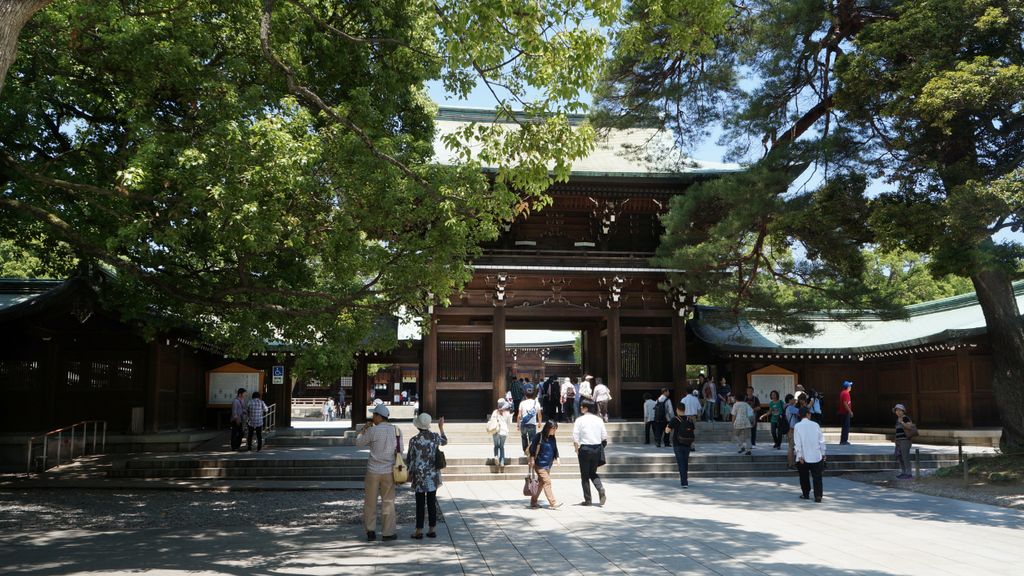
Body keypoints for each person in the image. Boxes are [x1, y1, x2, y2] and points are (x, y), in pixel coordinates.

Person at [356, 404, 402, 541]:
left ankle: (370, 531)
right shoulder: (396, 430)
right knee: (388, 501)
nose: (372, 417)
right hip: (389, 470)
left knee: (370, 501)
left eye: (374, 415)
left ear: (378, 416)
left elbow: (358, 443)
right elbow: (400, 450)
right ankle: (388, 533)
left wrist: (362, 431)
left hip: (373, 470)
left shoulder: (372, 431)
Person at [407, 413, 447, 539]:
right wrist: (441, 427)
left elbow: (410, 459)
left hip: (419, 475)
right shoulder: (435, 437)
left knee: (419, 502)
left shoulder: (414, 440)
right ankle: (432, 529)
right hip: (432, 474)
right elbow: (445, 441)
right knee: (431, 501)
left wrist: (410, 473)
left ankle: (419, 530)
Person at [572, 399, 608, 506]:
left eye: (582, 406)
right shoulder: (599, 420)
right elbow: (604, 436)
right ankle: (600, 488)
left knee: (585, 476)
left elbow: (575, 437)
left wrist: (576, 449)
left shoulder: (579, 420)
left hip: (585, 449)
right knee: (592, 472)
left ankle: (588, 500)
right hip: (597, 448)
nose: (580, 408)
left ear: (586, 408)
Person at [793, 407, 826, 502]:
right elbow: (821, 440)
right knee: (817, 477)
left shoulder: (797, 426)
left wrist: (799, 456)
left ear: (800, 415)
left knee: (804, 476)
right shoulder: (816, 425)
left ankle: (806, 493)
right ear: (808, 414)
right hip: (816, 454)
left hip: (804, 456)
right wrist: (823, 453)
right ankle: (818, 495)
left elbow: (797, 443)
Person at [527, 420, 563, 509]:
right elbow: (532, 448)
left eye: (555, 429)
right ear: (548, 428)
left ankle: (533, 502)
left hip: (548, 464)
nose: (554, 431)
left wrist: (557, 458)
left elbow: (555, 449)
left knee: (541, 484)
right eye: (553, 429)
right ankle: (553, 503)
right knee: (547, 482)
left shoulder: (552, 438)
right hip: (539, 464)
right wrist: (532, 459)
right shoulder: (539, 436)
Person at [666, 400, 696, 488]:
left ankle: (684, 482)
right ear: (685, 410)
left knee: (681, 463)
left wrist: (667, 427)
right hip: (687, 444)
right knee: (685, 462)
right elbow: (693, 430)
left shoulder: (675, 419)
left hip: (677, 443)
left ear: (677, 410)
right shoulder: (689, 419)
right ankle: (685, 479)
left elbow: (667, 431)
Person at [488, 399, 513, 468]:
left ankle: (496, 457)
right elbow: (509, 423)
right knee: (501, 447)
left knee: (496, 446)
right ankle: (502, 462)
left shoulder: (495, 412)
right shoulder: (507, 413)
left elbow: (492, 421)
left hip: (496, 430)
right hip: (504, 431)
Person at [517, 386, 542, 452]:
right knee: (532, 439)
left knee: (524, 437)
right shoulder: (537, 403)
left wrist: (518, 425)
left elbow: (519, 415)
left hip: (524, 424)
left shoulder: (522, 403)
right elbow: (539, 415)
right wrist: (539, 423)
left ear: (525, 395)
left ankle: (525, 451)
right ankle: (531, 453)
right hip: (532, 424)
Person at [893, 403, 915, 479]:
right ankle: (903, 472)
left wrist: (902, 422)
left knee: (905, 457)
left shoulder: (906, 418)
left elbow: (909, 427)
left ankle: (909, 473)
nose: (898, 412)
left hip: (905, 440)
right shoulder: (897, 420)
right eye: (896, 410)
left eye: (899, 410)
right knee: (900, 457)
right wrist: (896, 440)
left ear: (903, 411)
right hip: (899, 441)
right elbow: (897, 431)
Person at [784, 394, 800, 468]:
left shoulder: (786, 407)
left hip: (788, 429)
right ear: (790, 400)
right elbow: (801, 412)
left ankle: (791, 463)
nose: (795, 400)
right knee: (791, 447)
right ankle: (791, 464)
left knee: (791, 447)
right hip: (791, 429)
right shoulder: (790, 407)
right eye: (793, 399)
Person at [838, 380, 854, 445]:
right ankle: (844, 441)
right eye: (850, 386)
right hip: (845, 412)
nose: (851, 387)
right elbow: (845, 403)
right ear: (847, 387)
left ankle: (843, 440)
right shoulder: (846, 393)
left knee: (844, 427)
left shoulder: (842, 392)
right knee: (846, 427)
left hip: (843, 412)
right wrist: (850, 412)